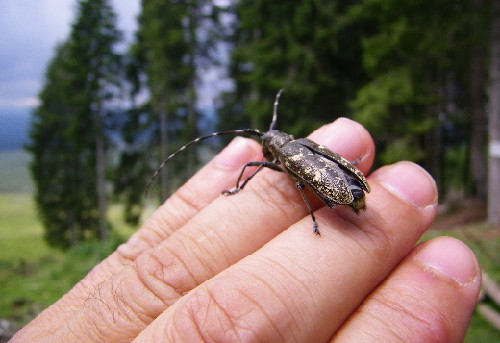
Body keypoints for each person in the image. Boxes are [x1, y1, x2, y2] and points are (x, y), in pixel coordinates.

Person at [12, 118, 480, 342]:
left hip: (341, 191)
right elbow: (319, 164)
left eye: (267, 141)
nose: (265, 147)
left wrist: (313, 212)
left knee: (297, 175)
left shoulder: (285, 156)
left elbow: (303, 174)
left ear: (273, 146)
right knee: (307, 171)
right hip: (346, 188)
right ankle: (347, 192)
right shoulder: (296, 147)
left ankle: (335, 196)